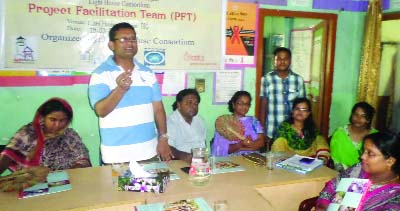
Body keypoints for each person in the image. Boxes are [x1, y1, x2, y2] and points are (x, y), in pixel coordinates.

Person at [88, 22, 172, 164]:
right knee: (118, 188)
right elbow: (101, 111)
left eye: (133, 39)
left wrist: (163, 138)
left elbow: (158, 109)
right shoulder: (100, 74)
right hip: (117, 157)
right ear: (111, 45)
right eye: (123, 39)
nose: (130, 43)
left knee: (151, 187)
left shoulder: (147, 73)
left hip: (148, 153)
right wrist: (120, 89)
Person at [0, 98, 91, 174]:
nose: (57, 125)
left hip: (64, 183)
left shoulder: (70, 136)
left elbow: (83, 160)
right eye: (52, 119)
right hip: (29, 184)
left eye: (62, 120)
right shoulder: (28, 133)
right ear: (43, 117)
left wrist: (67, 175)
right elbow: (8, 156)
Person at [316, 132, 400, 210]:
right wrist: (323, 206)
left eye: (370, 154)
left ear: (390, 161)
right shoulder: (358, 169)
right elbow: (332, 186)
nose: (362, 156)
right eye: (363, 151)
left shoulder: (396, 196)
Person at [259, 47, 306, 142]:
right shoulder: (267, 79)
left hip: (293, 130)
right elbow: (263, 105)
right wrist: (262, 130)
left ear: (290, 60)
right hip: (272, 130)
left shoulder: (298, 80)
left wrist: (303, 128)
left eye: (285, 59)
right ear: (274, 61)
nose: (282, 61)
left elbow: (303, 107)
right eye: (279, 59)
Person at [271, 97, 330, 163]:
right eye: (297, 109)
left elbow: (322, 145)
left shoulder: (312, 129)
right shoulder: (283, 129)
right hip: (287, 164)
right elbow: (278, 149)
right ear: (292, 111)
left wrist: (320, 161)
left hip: (310, 165)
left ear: (308, 113)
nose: (300, 112)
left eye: (304, 110)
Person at [212, 91, 265, 156]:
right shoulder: (224, 123)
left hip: (253, 158)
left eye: (247, 104)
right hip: (232, 160)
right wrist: (240, 144)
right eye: (240, 103)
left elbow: (261, 142)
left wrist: (242, 148)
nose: (244, 106)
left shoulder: (254, 121)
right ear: (233, 104)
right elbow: (221, 149)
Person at [330, 102, 378, 172]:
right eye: (356, 114)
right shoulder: (340, 133)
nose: (358, 118)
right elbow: (336, 159)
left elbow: (377, 161)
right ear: (351, 115)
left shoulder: (375, 136)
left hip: (368, 174)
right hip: (341, 173)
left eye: (363, 116)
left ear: (369, 119)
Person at [167, 89, 207, 163]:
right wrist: (183, 156)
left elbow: (203, 143)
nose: (193, 106)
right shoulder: (171, 122)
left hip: (199, 161)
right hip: (178, 161)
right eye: (189, 103)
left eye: (196, 104)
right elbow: (167, 147)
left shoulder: (200, 120)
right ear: (179, 105)